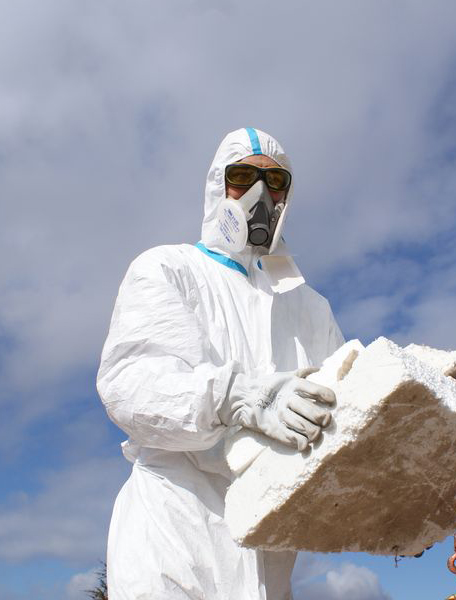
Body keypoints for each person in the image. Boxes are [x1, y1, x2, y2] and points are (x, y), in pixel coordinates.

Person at [97, 127, 345, 599]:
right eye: (244, 176)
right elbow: (131, 386)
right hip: (175, 531)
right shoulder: (169, 270)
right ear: (217, 185)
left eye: (276, 183)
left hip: (269, 555)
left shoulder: (310, 308)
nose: (261, 194)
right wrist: (243, 398)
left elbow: (344, 416)